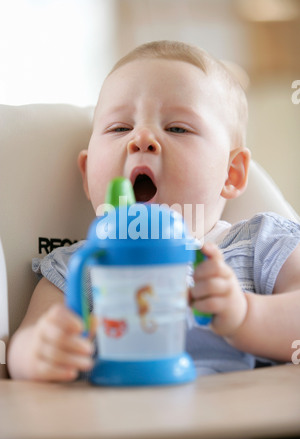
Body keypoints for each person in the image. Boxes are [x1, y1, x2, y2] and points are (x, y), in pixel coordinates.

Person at [7, 40, 300, 381]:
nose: (142, 138)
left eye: (177, 127)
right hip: (121, 429)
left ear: (231, 172)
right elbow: (22, 347)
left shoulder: (261, 246)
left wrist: (245, 315)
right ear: (88, 175)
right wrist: (40, 351)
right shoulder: (81, 266)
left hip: (239, 429)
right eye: (120, 128)